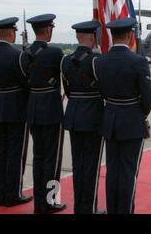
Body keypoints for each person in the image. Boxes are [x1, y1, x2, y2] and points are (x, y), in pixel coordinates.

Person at [92, 18, 151, 214]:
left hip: (110, 120)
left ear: (112, 36)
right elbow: (147, 97)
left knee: (113, 170)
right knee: (128, 171)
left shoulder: (100, 61)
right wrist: (140, 114)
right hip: (132, 121)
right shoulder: (138, 61)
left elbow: (101, 92)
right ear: (129, 36)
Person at [0, 17, 32, 208]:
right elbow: (26, 81)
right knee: (16, 152)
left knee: (0, 151)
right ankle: (13, 194)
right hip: (16, 106)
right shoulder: (18, 55)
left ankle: (1, 194)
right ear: (11, 32)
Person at [19, 14, 66, 214]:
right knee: (52, 159)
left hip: (33, 109)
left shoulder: (24, 55)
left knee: (38, 157)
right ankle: (49, 201)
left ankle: (39, 203)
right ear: (48, 30)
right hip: (52, 110)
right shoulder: (56, 53)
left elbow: (24, 81)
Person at [61, 21, 104, 214]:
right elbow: (104, 90)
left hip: (73, 115)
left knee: (78, 164)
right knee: (91, 166)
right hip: (93, 116)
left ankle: (80, 207)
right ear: (93, 37)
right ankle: (89, 209)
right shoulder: (96, 61)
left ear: (78, 37)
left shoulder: (65, 61)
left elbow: (68, 90)